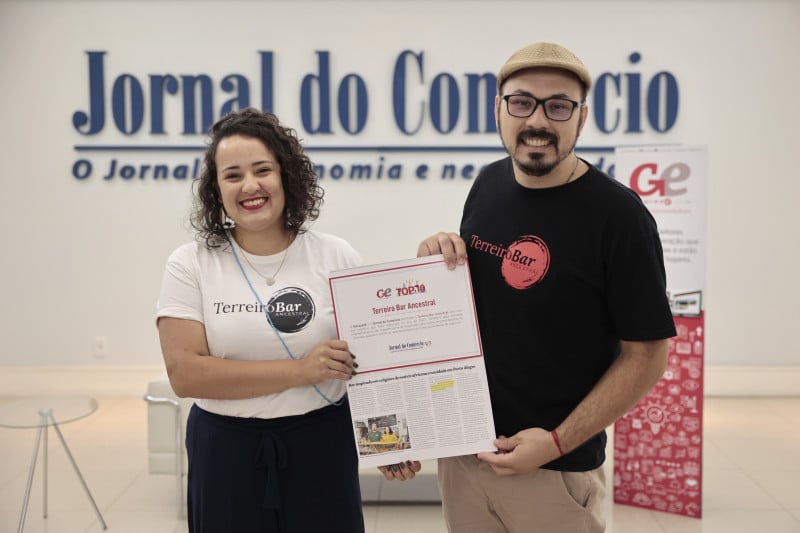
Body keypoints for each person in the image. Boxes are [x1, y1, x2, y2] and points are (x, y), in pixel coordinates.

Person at [382, 42, 677, 533]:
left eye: (558, 105)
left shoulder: (620, 218)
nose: (538, 120)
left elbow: (647, 354)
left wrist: (558, 441)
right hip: (465, 457)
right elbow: (470, 317)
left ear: (581, 119)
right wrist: (441, 256)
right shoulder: (488, 183)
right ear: (498, 110)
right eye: (521, 102)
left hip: (553, 471)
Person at [156, 108, 364, 533]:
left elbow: (371, 358)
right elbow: (186, 374)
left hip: (321, 443)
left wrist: (396, 441)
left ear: (286, 176)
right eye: (232, 175)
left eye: (262, 170)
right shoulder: (190, 263)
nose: (250, 186)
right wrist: (301, 370)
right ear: (217, 190)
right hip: (225, 451)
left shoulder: (335, 255)